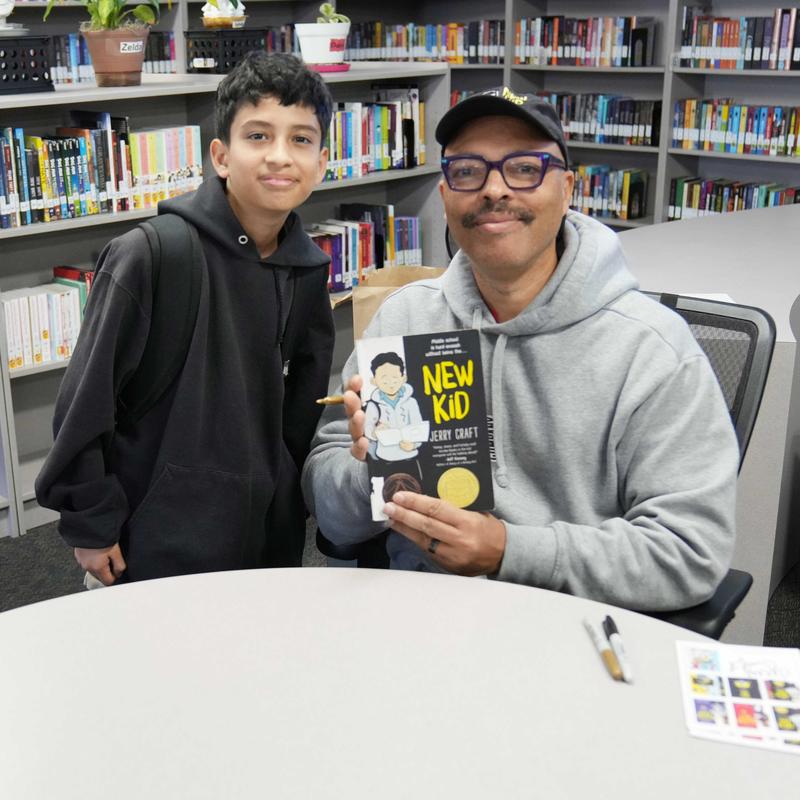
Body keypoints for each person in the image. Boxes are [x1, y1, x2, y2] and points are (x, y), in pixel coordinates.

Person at [302, 86, 739, 612]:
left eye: (525, 168)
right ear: (444, 195)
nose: (494, 190)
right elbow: (329, 511)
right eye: (468, 171)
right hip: (420, 615)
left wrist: (509, 551)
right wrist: (369, 474)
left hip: (578, 626)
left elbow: (690, 552)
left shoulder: (653, 350)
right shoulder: (405, 319)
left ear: (568, 189)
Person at [35, 52, 335, 585]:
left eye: (301, 139)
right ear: (221, 156)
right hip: (152, 537)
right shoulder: (150, 254)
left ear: (322, 161)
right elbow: (87, 399)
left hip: (264, 539)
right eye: (258, 136)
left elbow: (298, 412)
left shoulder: (307, 269)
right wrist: (90, 523)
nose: (280, 156)